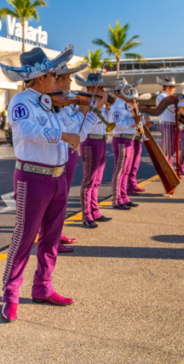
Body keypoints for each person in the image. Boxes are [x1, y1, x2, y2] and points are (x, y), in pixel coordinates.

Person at [0, 44, 92, 322]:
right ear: (40, 78)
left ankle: (43, 286)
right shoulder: (21, 102)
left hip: (57, 176)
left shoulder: (51, 103)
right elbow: (28, 132)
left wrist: (88, 112)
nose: (58, 79)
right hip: (32, 177)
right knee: (24, 238)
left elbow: (77, 134)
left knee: (51, 239)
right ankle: (11, 294)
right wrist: (63, 136)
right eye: (54, 75)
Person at [51, 61, 105, 251]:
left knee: (63, 197)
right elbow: (77, 132)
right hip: (62, 152)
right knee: (57, 199)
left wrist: (83, 108)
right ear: (58, 80)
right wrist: (89, 109)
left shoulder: (65, 103)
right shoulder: (56, 104)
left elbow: (76, 128)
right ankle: (52, 238)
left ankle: (58, 232)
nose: (71, 82)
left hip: (69, 152)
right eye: (67, 78)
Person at [75, 73, 115, 228]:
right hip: (90, 141)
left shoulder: (99, 102)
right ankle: (86, 214)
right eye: (101, 88)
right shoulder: (86, 102)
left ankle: (95, 210)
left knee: (97, 180)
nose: (104, 90)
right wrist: (99, 106)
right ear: (92, 88)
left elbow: (109, 123)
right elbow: (92, 121)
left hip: (102, 141)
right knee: (89, 180)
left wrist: (108, 107)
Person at [108, 78, 144, 210]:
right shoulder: (117, 106)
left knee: (126, 170)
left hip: (128, 138)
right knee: (120, 171)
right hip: (121, 139)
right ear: (119, 91)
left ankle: (123, 197)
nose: (128, 91)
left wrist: (141, 121)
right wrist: (133, 120)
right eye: (125, 89)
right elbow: (116, 127)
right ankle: (117, 199)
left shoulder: (125, 105)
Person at [155, 75, 184, 168]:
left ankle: (169, 169)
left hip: (172, 125)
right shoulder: (161, 96)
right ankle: (166, 170)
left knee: (171, 150)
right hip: (166, 124)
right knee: (167, 150)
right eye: (173, 87)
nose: (175, 89)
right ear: (168, 87)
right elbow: (172, 105)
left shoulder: (168, 96)